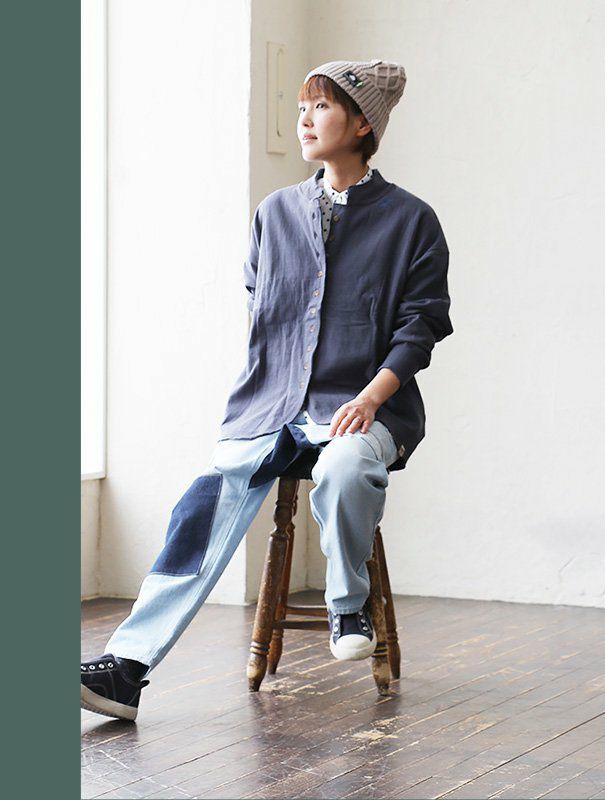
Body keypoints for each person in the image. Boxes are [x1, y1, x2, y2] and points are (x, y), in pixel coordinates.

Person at [81, 59, 454, 721]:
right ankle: (126, 669)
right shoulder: (274, 214)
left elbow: (420, 326)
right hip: (272, 407)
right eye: (302, 107)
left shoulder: (411, 220)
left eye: (321, 107)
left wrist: (370, 396)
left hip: (369, 406)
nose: (304, 120)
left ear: (361, 124)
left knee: (344, 465)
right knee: (200, 510)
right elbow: (261, 302)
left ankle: (348, 605)